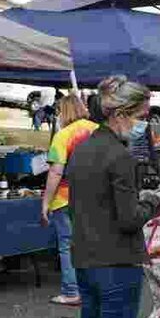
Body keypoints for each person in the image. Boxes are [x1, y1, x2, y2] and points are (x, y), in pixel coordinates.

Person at [65, 76, 160, 318]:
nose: (145, 125)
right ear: (121, 114)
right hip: (116, 261)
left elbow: (86, 201)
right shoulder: (120, 156)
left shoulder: (81, 148)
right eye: (142, 117)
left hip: (85, 257)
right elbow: (129, 219)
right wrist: (153, 202)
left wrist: (138, 197)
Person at [40, 95, 99, 306]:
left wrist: (46, 202)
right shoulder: (99, 130)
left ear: (63, 112)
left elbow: (56, 172)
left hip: (67, 198)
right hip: (96, 198)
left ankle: (72, 291)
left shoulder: (63, 135)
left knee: (67, 245)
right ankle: (94, 289)